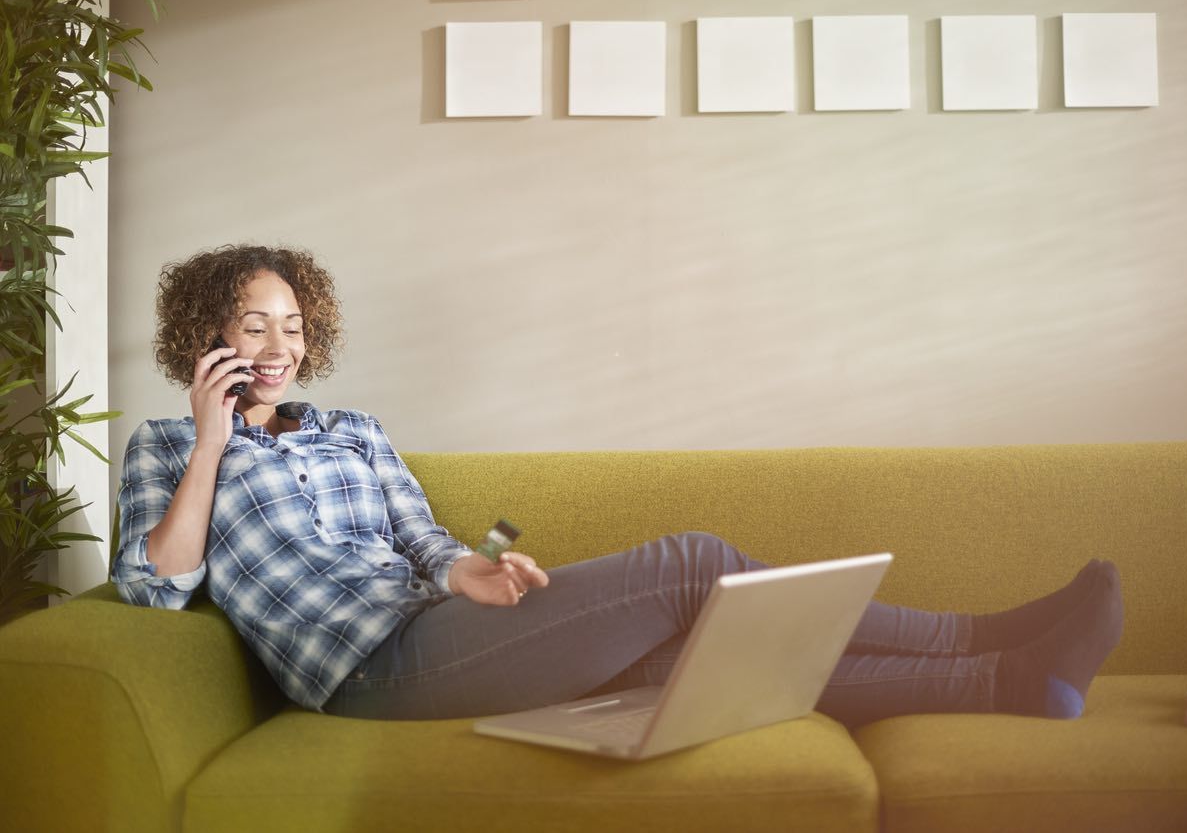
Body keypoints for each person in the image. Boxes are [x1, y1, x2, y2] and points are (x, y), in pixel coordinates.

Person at [112, 244, 1124, 728]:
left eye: (294, 327)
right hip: (366, 672)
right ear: (206, 334)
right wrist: (211, 442)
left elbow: (423, 537)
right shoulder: (167, 450)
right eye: (255, 326)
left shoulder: (353, 433)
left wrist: (473, 570)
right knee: (694, 565)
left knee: (695, 658)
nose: (280, 347)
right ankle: (979, 631)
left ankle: (1012, 680)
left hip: (439, 627)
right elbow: (154, 587)